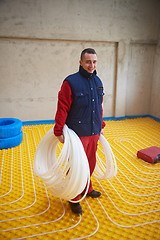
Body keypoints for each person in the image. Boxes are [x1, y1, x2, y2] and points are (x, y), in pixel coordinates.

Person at [54, 48, 106, 214]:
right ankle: (74, 196)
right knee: (76, 166)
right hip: (77, 133)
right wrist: (59, 130)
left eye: (94, 61)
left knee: (90, 163)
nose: (92, 65)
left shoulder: (98, 82)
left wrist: (101, 125)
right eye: (88, 61)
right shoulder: (70, 82)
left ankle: (87, 187)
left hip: (93, 130)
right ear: (81, 62)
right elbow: (62, 107)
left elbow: (99, 106)